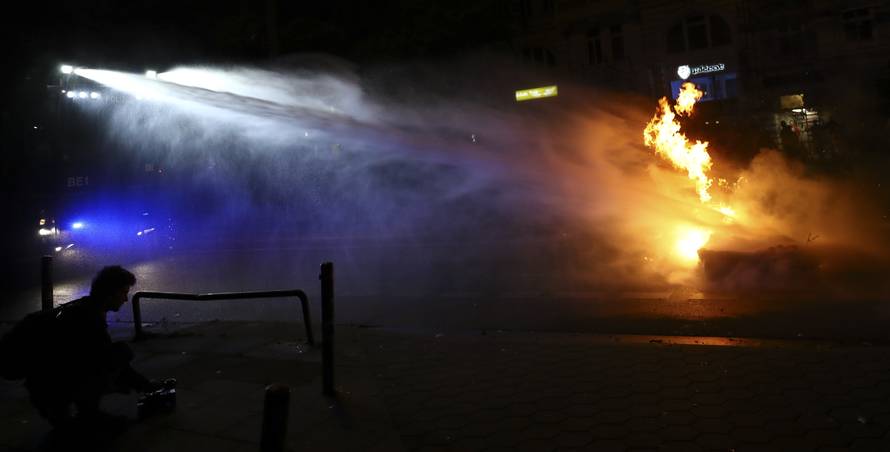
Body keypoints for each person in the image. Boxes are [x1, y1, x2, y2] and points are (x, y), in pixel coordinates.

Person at [23, 266, 156, 437]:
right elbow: (106, 360)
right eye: (123, 293)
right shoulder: (90, 319)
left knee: (105, 358)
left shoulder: (82, 308)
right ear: (111, 293)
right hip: (51, 385)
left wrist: (143, 384)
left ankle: (67, 416)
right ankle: (88, 415)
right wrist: (144, 385)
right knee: (120, 353)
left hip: (42, 384)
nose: (125, 299)